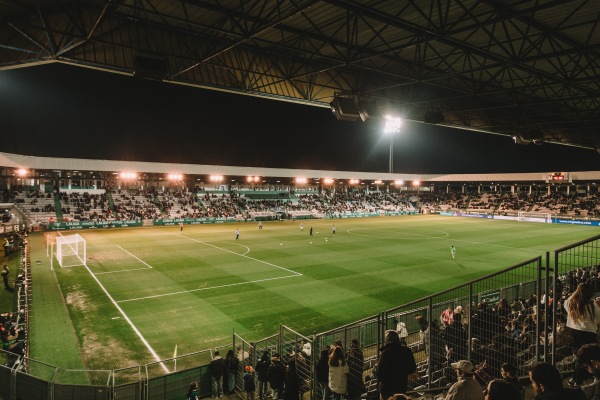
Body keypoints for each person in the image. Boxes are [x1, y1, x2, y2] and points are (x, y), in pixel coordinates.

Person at [564, 282, 600, 385]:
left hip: (575, 331)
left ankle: (575, 378)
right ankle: (577, 379)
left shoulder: (571, 302)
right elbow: (598, 319)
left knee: (581, 355)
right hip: (588, 332)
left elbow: (566, 303)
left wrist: (577, 290)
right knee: (586, 356)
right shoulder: (591, 305)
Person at [377, 330, 416, 397]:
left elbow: (379, 374)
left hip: (387, 389)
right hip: (401, 386)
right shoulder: (406, 350)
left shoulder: (385, 354)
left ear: (387, 341)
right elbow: (412, 368)